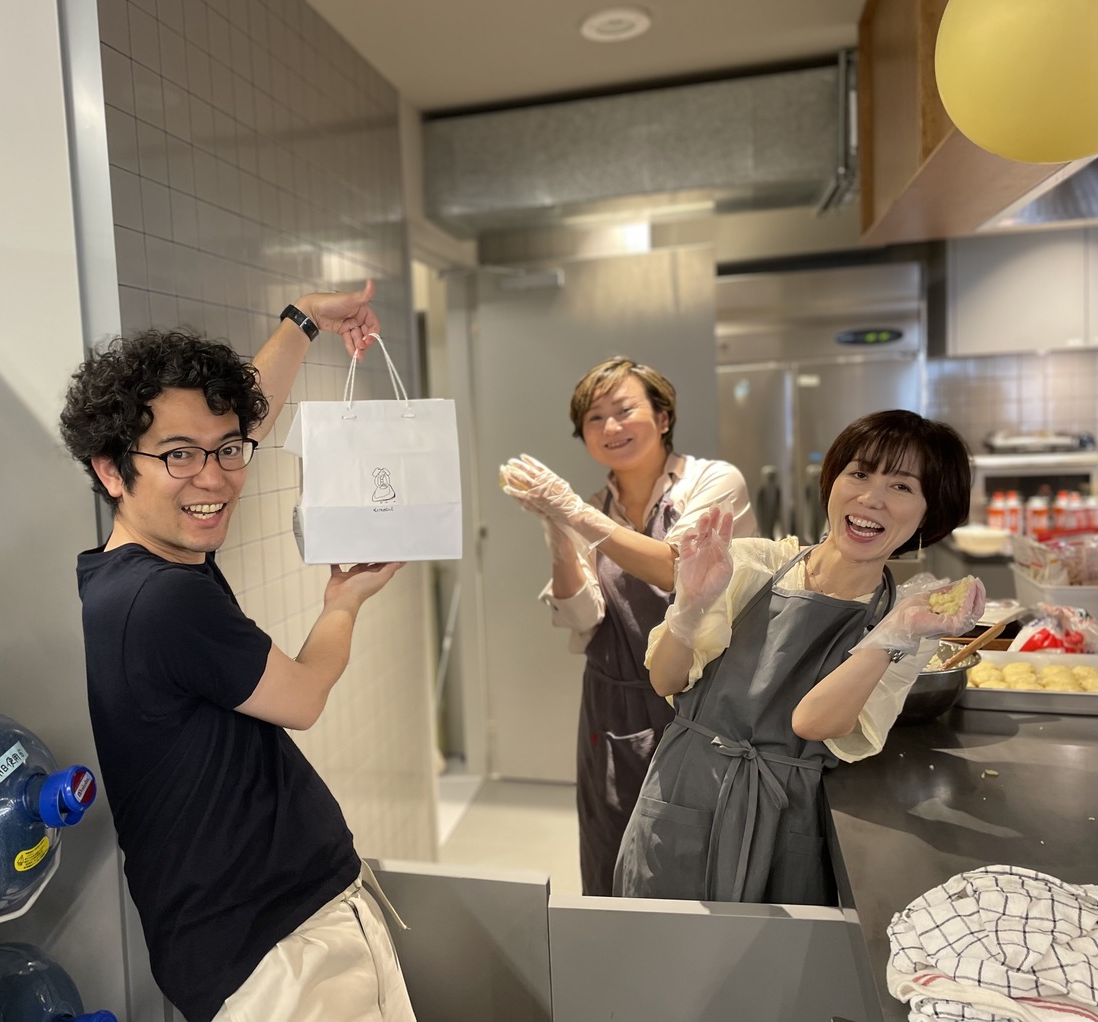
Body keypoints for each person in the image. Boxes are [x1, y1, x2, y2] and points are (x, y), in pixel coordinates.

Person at [58, 283, 418, 1022]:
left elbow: (244, 417)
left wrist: (304, 319)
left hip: (252, 938)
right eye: (179, 455)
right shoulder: (165, 599)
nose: (215, 477)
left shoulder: (124, 572)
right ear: (111, 469)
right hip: (283, 955)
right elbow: (304, 697)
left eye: (228, 451)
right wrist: (345, 601)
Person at [612, 409, 985, 906]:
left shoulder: (907, 622)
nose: (871, 498)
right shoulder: (753, 563)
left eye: (901, 486)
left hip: (786, 817)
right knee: (660, 943)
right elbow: (665, 680)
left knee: (771, 955)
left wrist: (891, 635)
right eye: (859, 473)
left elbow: (811, 723)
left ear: (928, 514)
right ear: (833, 482)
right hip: (684, 792)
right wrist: (691, 607)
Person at [499, 356, 757, 896]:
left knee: (696, 862)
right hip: (613, 710)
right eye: (594, 418)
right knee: (611, 859)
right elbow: (583, 618)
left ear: (663, 418)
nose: (610, 427)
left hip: (702, 705)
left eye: (623, 410)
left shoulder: (713, 481)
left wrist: (572, 512)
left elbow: (677, 567)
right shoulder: (592, 508)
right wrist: (558, 532)